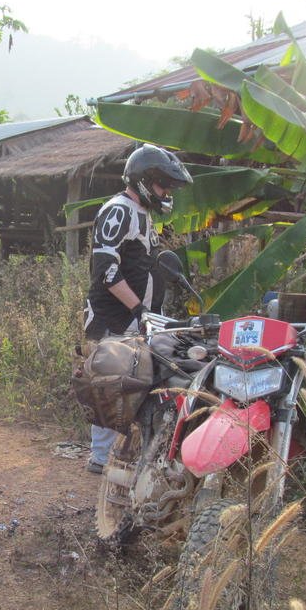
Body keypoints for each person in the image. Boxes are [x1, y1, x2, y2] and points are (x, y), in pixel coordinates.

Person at [83, 143, 193, 474]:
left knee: (136, 386)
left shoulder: (141, 214)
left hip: (136, 319)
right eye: (163, 185)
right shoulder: (119, 211)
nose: (167, 192)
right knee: (112, 384)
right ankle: (100, 459)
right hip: (114, 318)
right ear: (144, 180)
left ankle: (130, 454)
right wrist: (138, 310)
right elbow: (106, 271)